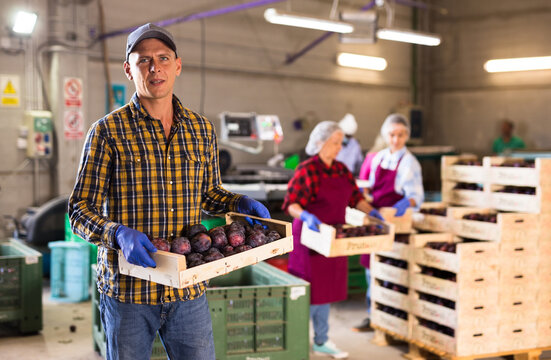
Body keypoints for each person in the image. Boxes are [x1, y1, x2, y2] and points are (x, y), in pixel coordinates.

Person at [68, 23, 270, 360]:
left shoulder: (200, 129)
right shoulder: (107, 131)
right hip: (129, 292)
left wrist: (238, 202)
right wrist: (117, 234)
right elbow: (79, 209)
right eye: (143, 60)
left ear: (177, 65)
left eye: (163, 58)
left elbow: (209, 194)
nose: (154, 67)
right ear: (128, 69)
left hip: (188, 287)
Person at [282, 121, 383, 359]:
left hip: (333, 239)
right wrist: (305, 215)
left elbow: (356, 199)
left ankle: (321, 340)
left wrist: (373, 213)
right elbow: (291, 204)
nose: (339, 147)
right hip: (310, 239)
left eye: (341, 143)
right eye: (335, 142)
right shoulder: (307, 170)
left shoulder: (341, 170)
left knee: (326, 292)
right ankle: (294, 340)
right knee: (309, 291)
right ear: (320, 143)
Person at [353, 113, 424, 332]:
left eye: (401, 135)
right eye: (392, 135)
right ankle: (372, 314)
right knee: (372, 267)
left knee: (392, 269)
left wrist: (401, 206)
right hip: (376, 219)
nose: (396, 139)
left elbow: (416, 196)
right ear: (386, 134)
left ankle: (393, 317)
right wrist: (366, 197)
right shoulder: (379, 158)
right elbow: (368, 186)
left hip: (395, 222)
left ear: (406, 136)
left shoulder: (410, 163)